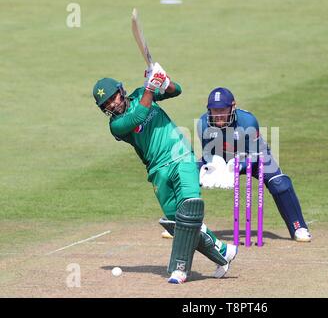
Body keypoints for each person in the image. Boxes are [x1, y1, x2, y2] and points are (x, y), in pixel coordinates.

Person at [92, 64, 237, 284]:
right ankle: (223, 252)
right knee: (177, 222)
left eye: (114, 97)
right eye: (107, 104)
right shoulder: (116, 125)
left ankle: (179, 270)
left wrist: (163, 80)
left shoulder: (141, 94)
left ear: (121, 91)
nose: (113, 104)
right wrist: (150, 87)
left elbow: (176, 91)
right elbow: (138, 117)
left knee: (190, 207)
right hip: (157, 169)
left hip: (180, 155)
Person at [197, 87, 312, 242]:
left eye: (222, 110)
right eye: (214, 110)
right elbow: (208, 153)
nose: (218, 115)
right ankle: (180, 224)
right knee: (186, 174)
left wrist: (238, 167)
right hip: (220, 157)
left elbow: (255, 155)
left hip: (253, 155)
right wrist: (213, 167)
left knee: (280, 183)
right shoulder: (203, 123)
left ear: (233, 106)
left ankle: (299, 227)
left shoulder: (248, 121)